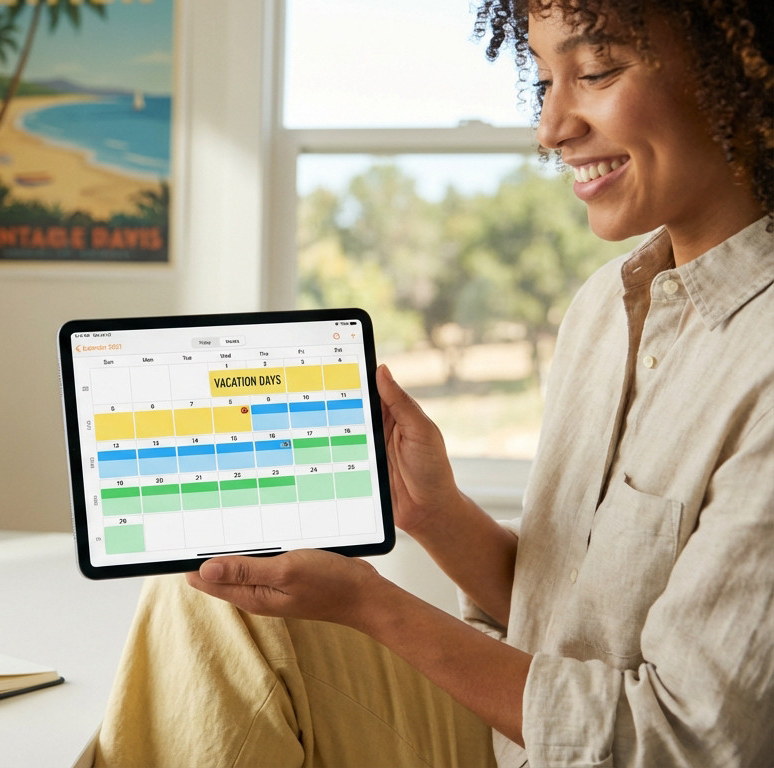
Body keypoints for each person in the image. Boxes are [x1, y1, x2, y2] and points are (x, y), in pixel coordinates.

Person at [93, 1, 774, 765]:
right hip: (514, 744)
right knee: (216, 604)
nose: (551, 130)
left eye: (596, 72)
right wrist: (436, 512)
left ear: (747, 67)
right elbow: (563, 618)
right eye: (546, 80)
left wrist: (369, 605)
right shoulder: (604, 310)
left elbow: (685, 742)